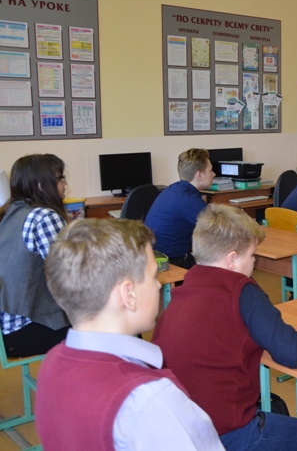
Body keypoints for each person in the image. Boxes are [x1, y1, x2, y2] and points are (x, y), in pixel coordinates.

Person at [152, 203, 297, 450]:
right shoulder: (241, 290)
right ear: (232, 260)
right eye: (252, 255)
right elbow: (295, 353)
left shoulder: (185, 287)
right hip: (223, 433)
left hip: (176, 429)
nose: (254, 262)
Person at [36, 218, 224, 450]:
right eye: (153, 276)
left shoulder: (51, 362)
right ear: (129, 294)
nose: (158, 285)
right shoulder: (148, 399)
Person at [0, 154, 70, 358]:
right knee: (117, 321)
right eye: (60, 178)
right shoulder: (44, 216)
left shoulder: (10, 212)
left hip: (7, 331)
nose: (65, 183)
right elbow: (70, 275)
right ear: (41, 185)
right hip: (26, 330)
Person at [144, 148, 215, 268]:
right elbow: (218, 229)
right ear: (199, 175)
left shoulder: (174, 189)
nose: (213, 174)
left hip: (153, 257)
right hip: (172, 261)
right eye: (210, 170)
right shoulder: (188, 199)